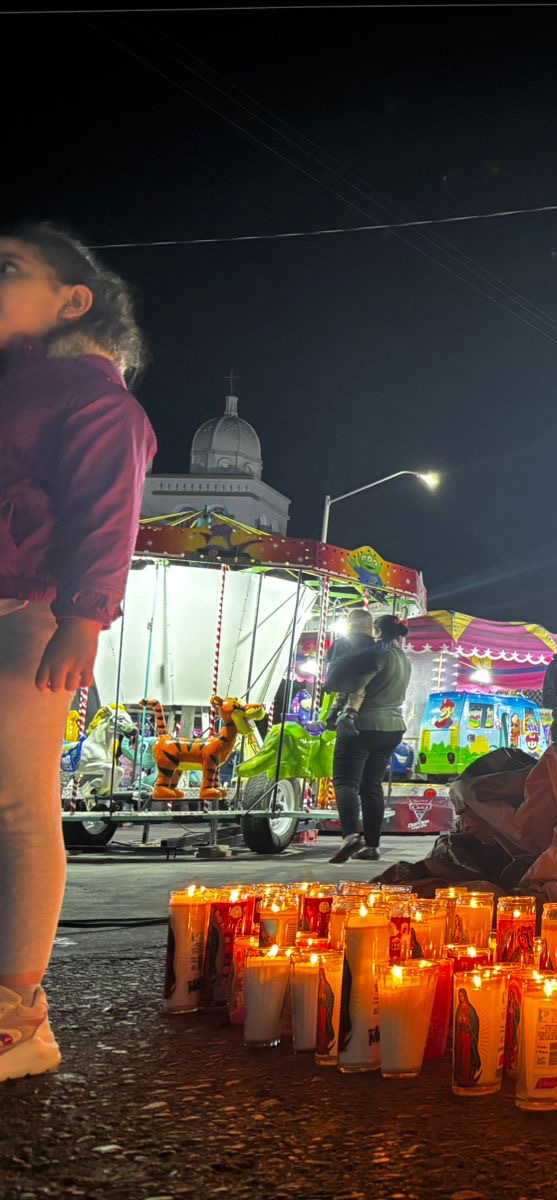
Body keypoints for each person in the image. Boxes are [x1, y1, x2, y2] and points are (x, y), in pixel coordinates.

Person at [0, 223, 156, 1082]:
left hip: (27, 611)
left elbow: (106, 509)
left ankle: (18, 1020)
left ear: (73, 299)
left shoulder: (93, 400)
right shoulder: (22, 387)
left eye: (9, 268)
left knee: (20, 809)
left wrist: (83, 617)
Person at [328, 614, 413, 864]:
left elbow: (357, 686)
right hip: (393, 728)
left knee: (345, 782)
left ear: (376, 629)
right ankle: (373, 846)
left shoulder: (377, 654)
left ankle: (351, 835)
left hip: (364, 725)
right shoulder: (404, 658)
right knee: (371, 786)